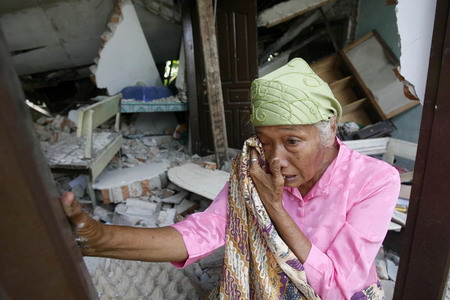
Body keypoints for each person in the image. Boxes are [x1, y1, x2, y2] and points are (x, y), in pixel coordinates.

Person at [61, 58, 400, 299]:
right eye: (265, 142)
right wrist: (104, 238)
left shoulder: (374, 180)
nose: (276, 160)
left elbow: (339, 288)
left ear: (329, 131)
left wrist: (275, 209)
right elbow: (206, 230)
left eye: (292, 141)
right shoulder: (253, 169)